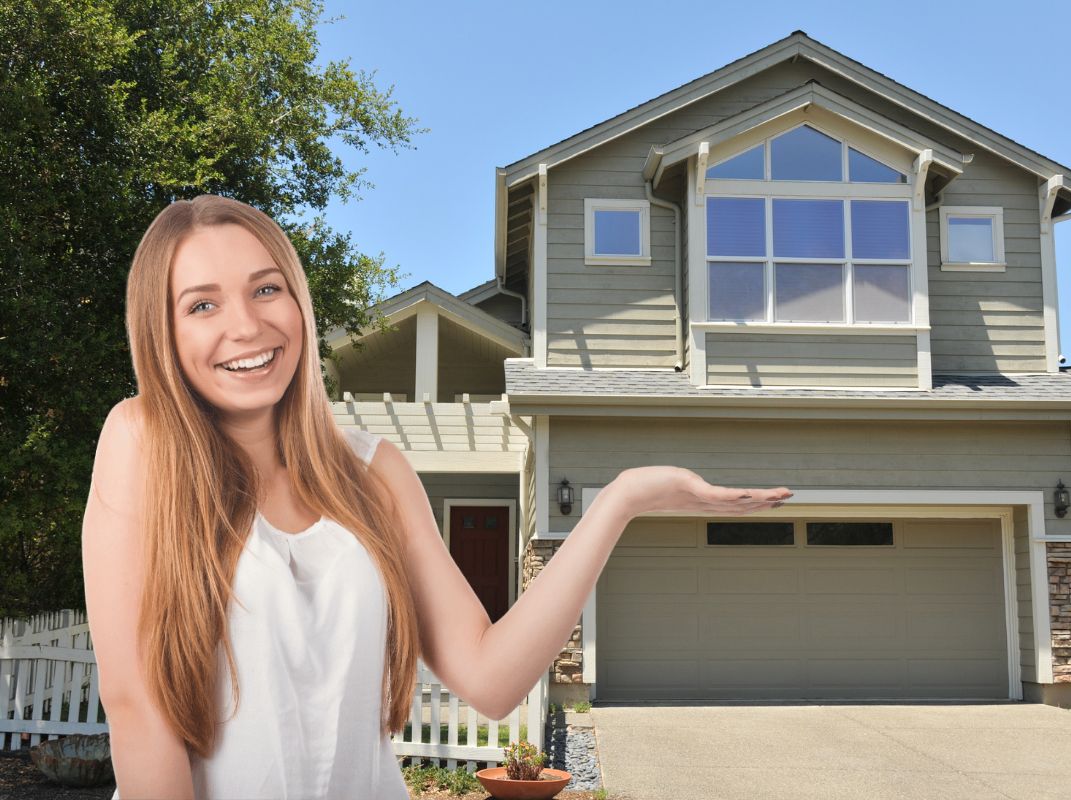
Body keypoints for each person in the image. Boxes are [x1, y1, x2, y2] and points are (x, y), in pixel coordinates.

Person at [81, 194, 793, 800]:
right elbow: (138, 710)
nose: (246, 325)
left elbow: (490, 678)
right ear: (163, 333)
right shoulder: (142, 441)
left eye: (267, 289)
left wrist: (621, 501)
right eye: (202, 304)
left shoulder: (373, 469)